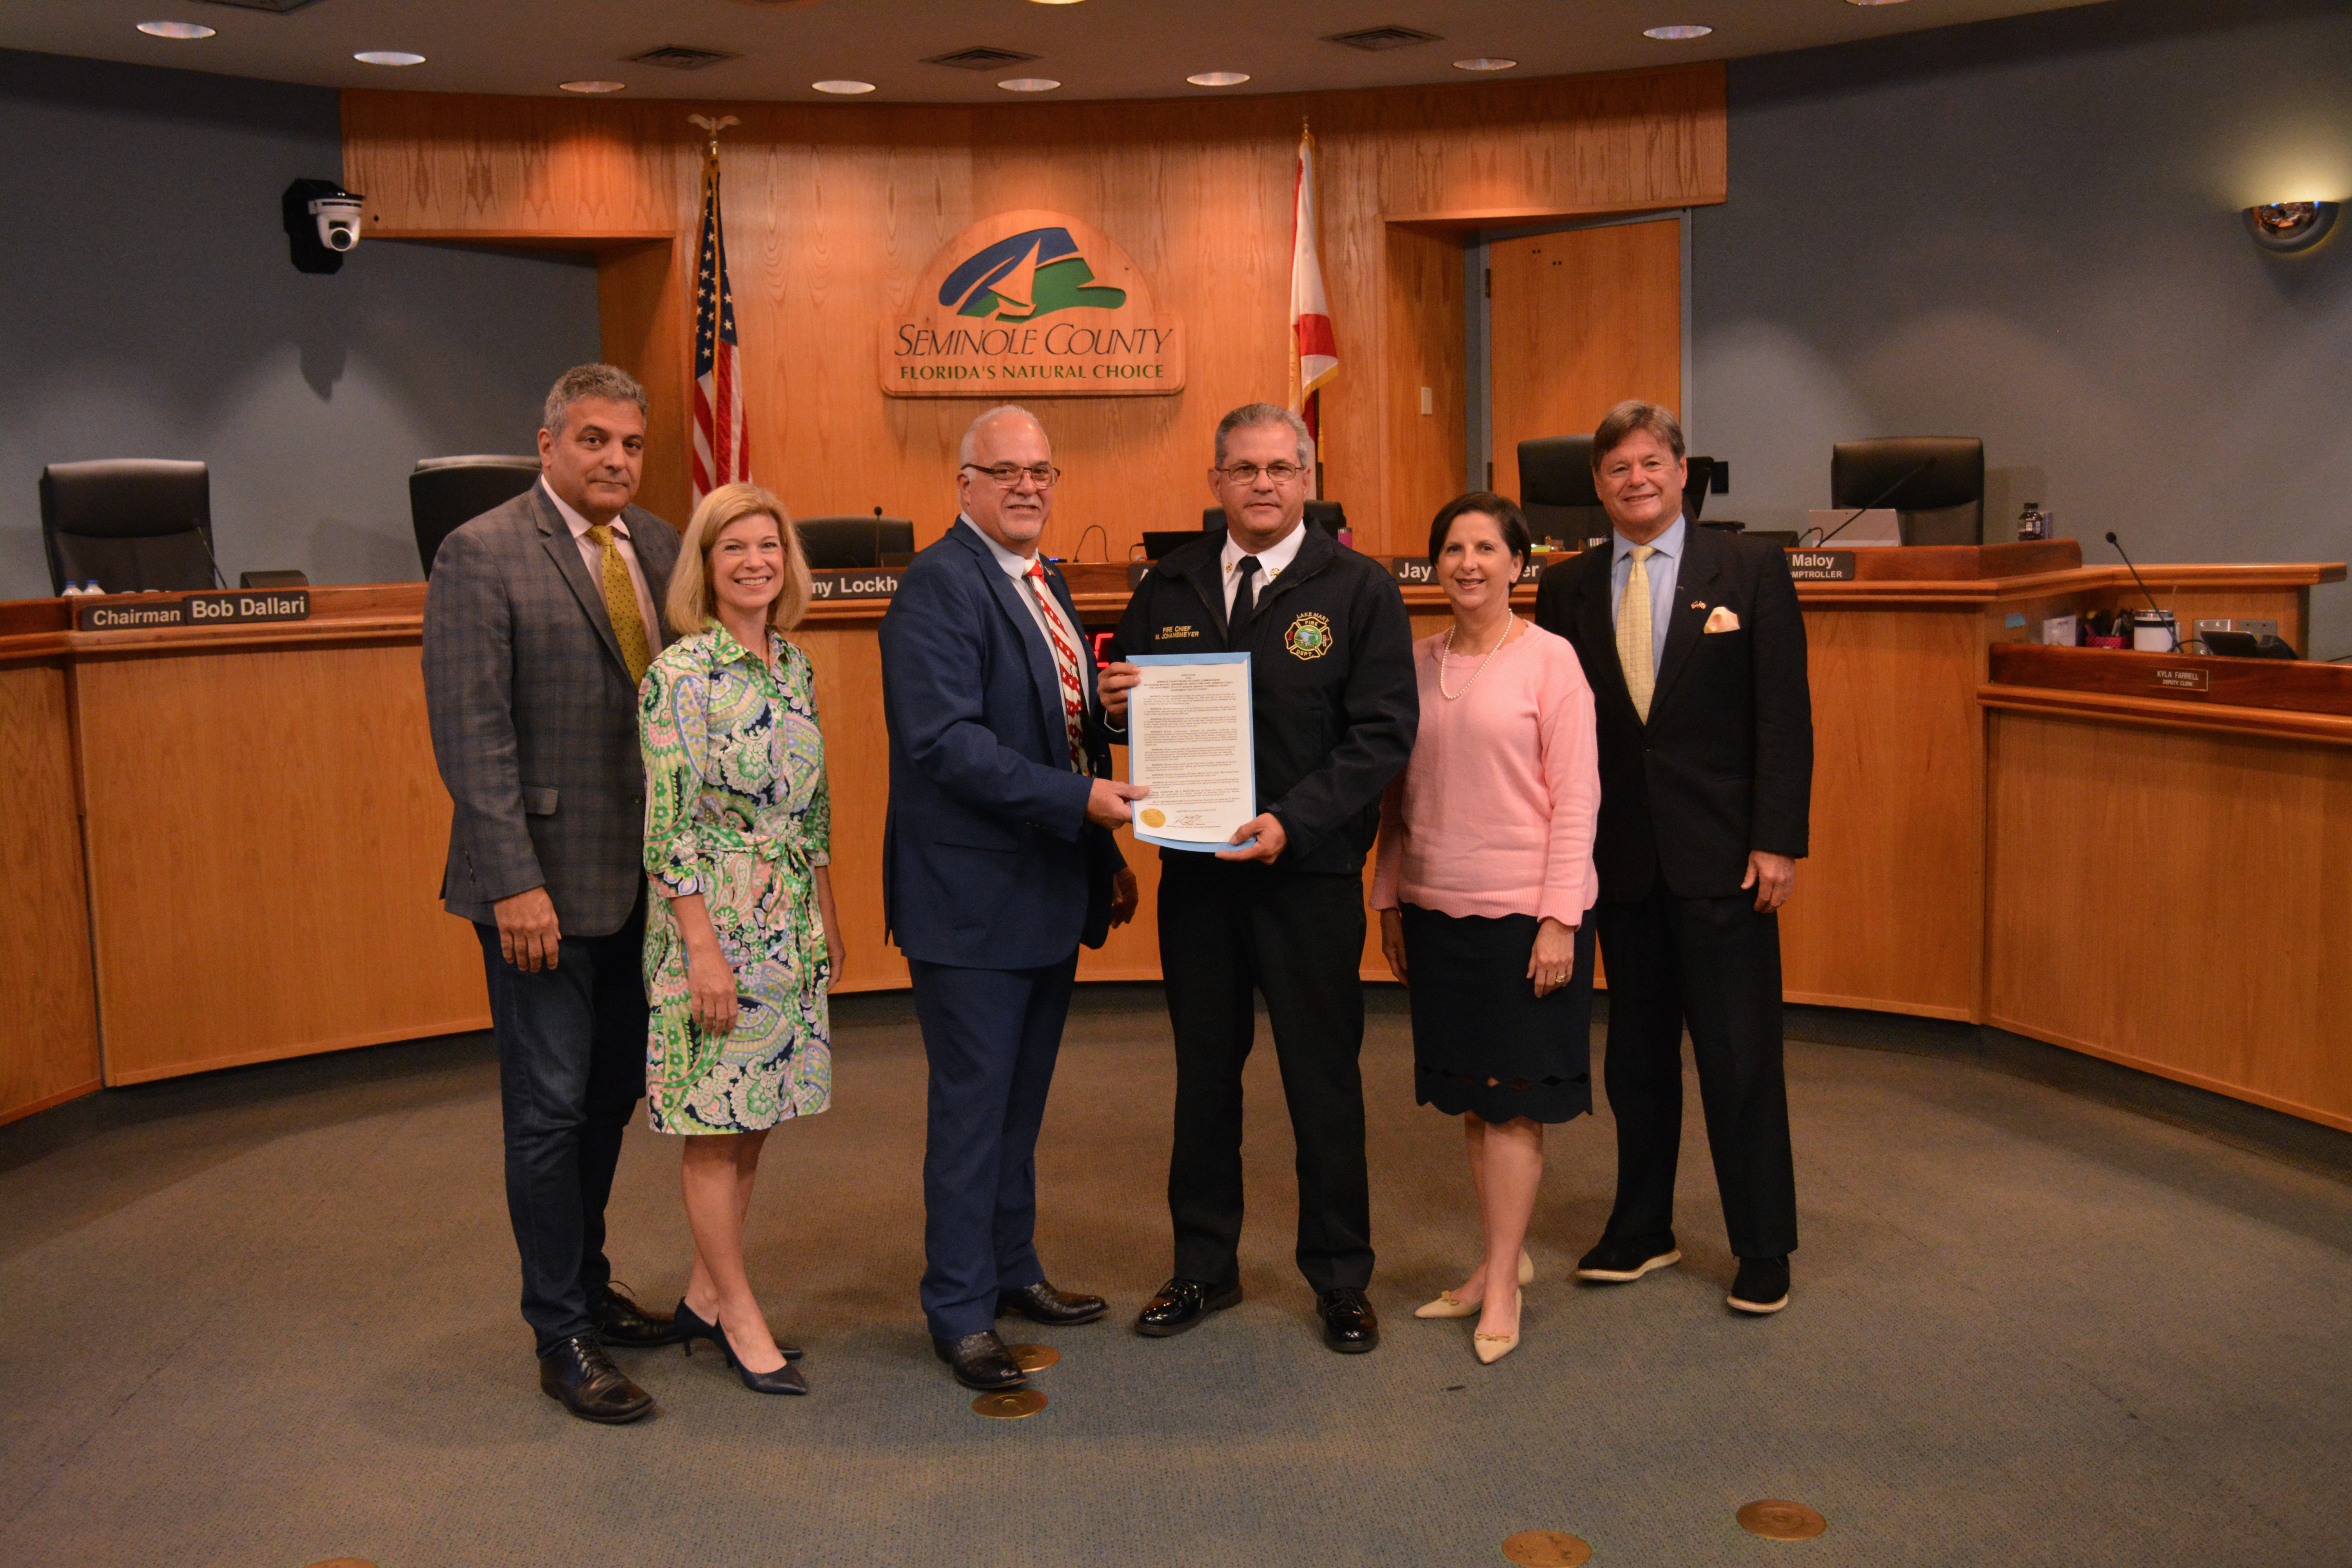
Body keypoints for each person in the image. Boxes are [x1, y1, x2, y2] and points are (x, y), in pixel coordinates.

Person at [1099, 403, 1416, 1355]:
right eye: (1244, 469)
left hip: (1306, 873)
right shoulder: (1168, 584)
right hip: (1198, 877)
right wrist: (1118, 710)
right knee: (1204, 1076)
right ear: (1216, 482)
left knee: (1322, 1078)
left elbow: (1383, 736)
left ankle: (1340, 1274)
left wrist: (1294, 821)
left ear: (1309, 478)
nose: (1264, 484)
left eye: (1281, 467)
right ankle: (1204, 1264)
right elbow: (1139, 729)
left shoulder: (1357, 588)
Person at [423, 363, 683, 1423]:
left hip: (641, 884)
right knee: (546, 1110)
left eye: (629, 444)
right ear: (547, 445)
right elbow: (471, 736)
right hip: (536, 889)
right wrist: (514, 881)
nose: (614, 460)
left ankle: (588, 1282)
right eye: (592, 441)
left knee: (612, 1092)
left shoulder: (660, 546)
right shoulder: (481, 553)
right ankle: (559, 1331)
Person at [877, 404, 1142, 1393]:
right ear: (964, 485)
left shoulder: (1043, 579)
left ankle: (1011, 1265)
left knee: (1019, 1106)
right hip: (971, 903)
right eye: (1007, 471)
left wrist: (1098, 846)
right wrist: (1084, 801)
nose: (1028, 486)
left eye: (1042, 471)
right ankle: (957, 1305)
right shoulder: (937, 589)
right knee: (973, 1109)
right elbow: (946, 745)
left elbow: (1057, 723)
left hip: (1046, 885)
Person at [1531, 399, 1813, 1316]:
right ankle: (1642, 1224)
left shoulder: (1752, 566)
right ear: (1599, 486)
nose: (1636, 480)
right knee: (1636, 1058)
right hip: (1620, 861)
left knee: (1739, 1058)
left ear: (1681, 471)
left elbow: (1784, 715)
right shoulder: (1566, 587)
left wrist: (1777, 838)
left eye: (1651, 462)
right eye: (1617, 469)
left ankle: (1762, 1241)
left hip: (1727, 859)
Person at [1371, 492, 1599, 1365]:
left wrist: (1559, 918)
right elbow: (1397, 795)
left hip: (1523, 917)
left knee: (1514, 1107)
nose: (1468, 563)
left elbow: (1578, 799)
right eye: (1452, 549)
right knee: (1476, 1097)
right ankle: (1495, 1257)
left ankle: (1503, 1278)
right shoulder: (1414, 661)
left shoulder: (1552, 661)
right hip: (1436, 909)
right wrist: (1388, 897)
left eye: (1486, 548)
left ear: (1518, 563)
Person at [638, 481, 843, 1397]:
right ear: (706, 567)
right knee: (714, 1128)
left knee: (756, 1115)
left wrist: (827, 908)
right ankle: (741, 1312)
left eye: (769, 545)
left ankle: (703, 1296)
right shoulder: (679, 675)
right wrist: (702, 949)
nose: (756, 561)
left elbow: (816, 801)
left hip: (788, 911)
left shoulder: (793, 666)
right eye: (735, 549)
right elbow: (667, 827)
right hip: (712, 917)